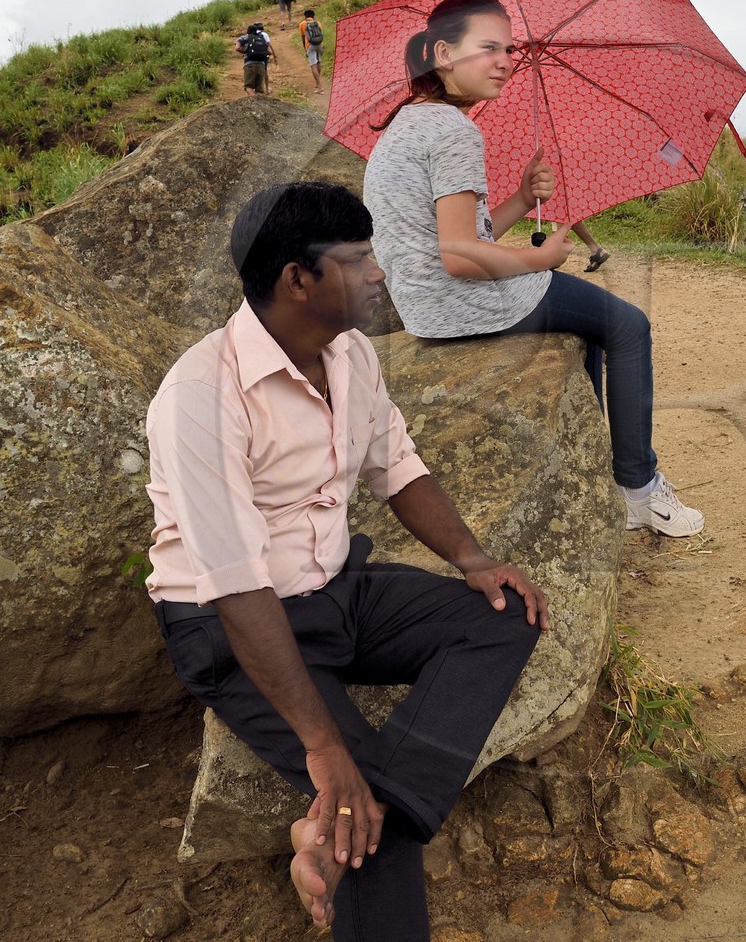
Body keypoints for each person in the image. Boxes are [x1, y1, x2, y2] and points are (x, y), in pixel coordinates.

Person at [146, 181, 548, 939]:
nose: (379, 273)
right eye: (359, 259)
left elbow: (397, 466)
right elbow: (236, 589)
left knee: (504, 614)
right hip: (230, 627)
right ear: (299, 279)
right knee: (362, 817)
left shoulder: (352, 354)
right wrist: (326, 750)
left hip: (335, 589)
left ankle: (345, 821)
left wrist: (472, 557)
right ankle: (349, 828)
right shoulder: (199, 395)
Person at [362, 0, 705, 538]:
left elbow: (457, 238)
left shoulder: (407, 124)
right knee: (628, 326)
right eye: (489, 48)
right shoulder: (454, 131)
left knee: (588, 329)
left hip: (426, 308)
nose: (505, 62)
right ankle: (639, 489)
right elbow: (458, 256)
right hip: (466, 302)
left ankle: (592, 461)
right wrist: (538, 259)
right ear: (443, 54)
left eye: (510, 50)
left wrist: (521, 200)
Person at [236, 23, 276, 95]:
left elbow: (237, 48)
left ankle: (254, 102)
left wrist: (246, 52)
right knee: (259, 90)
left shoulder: (244, 38)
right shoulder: (262, 38)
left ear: (247, 31)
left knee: (248, 87)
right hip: (261, 65)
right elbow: (270, 52)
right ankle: (259, 103)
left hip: (249, 64)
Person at [300, 9, 324, 93]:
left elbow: (303, 38)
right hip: (320, 44)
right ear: (313, 16)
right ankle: (317, 83)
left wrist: (305, 49)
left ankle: (320, 87)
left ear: (305, 16)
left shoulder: (302, 24)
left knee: (313, 65)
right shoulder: (318, 23)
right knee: (318, 63)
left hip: (310, 46)